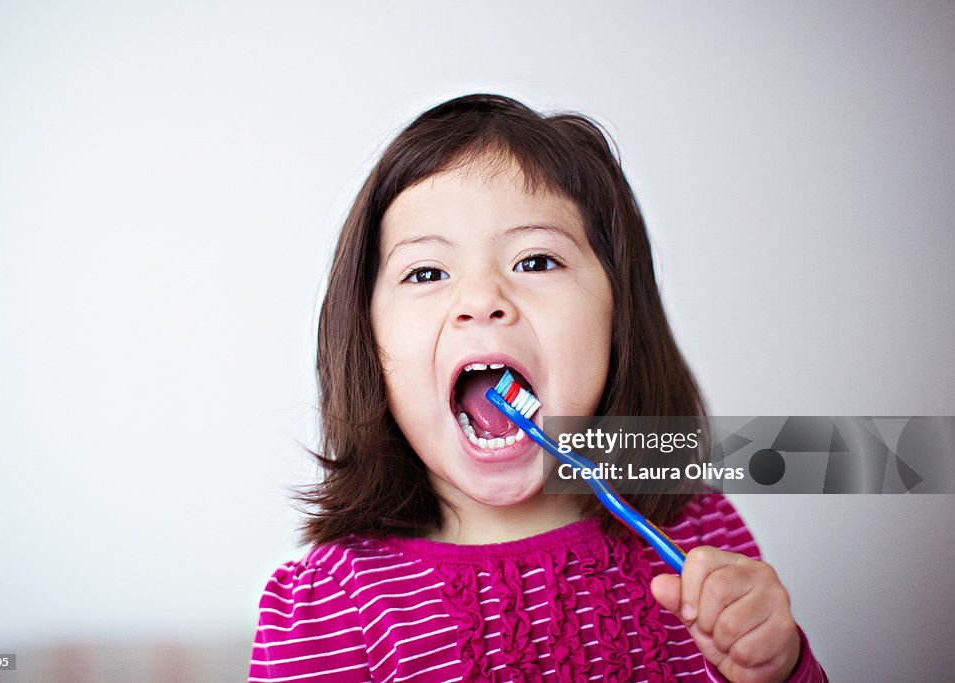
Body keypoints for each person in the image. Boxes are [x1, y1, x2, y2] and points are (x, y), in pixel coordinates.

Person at [248, 94, 828, 682]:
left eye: (536, 262)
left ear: (618, 315)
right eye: (426, 273)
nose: (481, 300)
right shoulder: (326, 607)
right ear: (366, 344)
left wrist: (781, 669)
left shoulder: (700, 529)